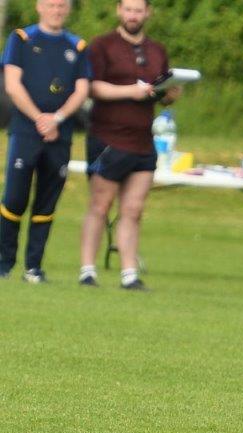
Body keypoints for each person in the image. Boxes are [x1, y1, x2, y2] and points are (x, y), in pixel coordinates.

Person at [78, 0, 181, 290]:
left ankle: (129, 273)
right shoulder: (101, 45)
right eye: (128, 9)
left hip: (143, 141)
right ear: (118, 11)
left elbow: (159, 91)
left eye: (138, 10)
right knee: (100, 204)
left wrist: (170, 93)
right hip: (107, 138)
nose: (133, 15)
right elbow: (92, 86)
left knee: (134, 209)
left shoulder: (157, 49)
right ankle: (87, 269)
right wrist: (130, 91)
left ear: (148, 13)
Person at [0, 0, 89, 282]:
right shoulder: (22, 39)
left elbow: (81, 89)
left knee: (47, 202)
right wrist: (39, 118)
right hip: (26, 131)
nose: (57, 10)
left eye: (62, 5)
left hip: (59, 135)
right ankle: (4, 263)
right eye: (51, 4)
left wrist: (57, 119)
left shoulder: (77, 47)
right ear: (40, 6)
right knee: (14, 198)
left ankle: (33, 267)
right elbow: (13, 84)